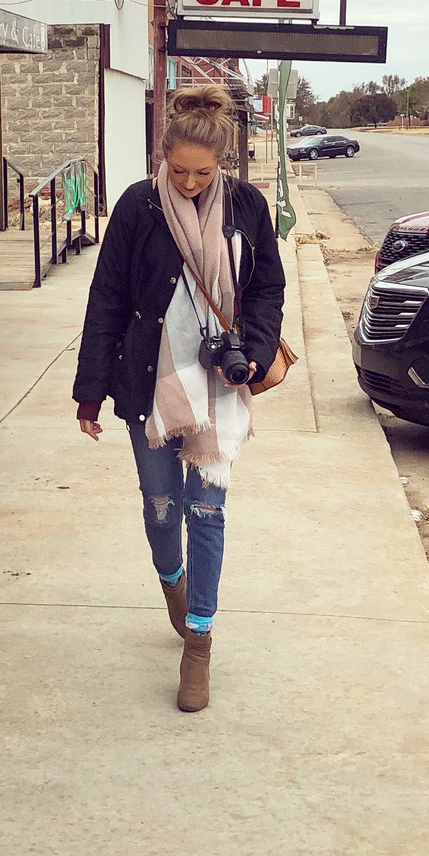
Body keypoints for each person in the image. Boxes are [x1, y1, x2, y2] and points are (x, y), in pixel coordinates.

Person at [74, 85, 286, 712]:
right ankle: (173, 582)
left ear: (223, 162)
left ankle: (200, 638)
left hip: (220, 386)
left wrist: (256, 348)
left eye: (203, 172)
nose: (190, 182)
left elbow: (268, 290)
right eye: (178, 170)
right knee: (162, 507)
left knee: (209, 514)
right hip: (149, 383)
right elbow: (107, 299)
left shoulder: (249, 207)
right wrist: (90, 392)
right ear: (160, 158)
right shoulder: (138, 207)